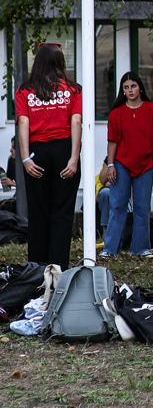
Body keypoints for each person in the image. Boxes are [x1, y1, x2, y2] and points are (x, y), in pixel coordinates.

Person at [15, 43, 83, 269]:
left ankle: (37, 267)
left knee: (38, 211)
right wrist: (74, 158)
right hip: (64, 149)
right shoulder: (74, 89)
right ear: (59, 61)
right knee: (62, 211)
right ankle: (58, 267)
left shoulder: (25, 90)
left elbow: (23, 122)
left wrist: (25, 158)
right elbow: (76, 121)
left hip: (37, 151)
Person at [102, 72, 153, 257]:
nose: (130, 90)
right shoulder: (116, 113)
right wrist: (111, 165)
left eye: (133, 86)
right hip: (121, 164)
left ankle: (141, 248)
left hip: (145, 164)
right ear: (122, 91)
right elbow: (112, 142)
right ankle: (110, 249)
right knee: (117, 205)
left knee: (142, 206)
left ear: (140, 87)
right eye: (126, 87)